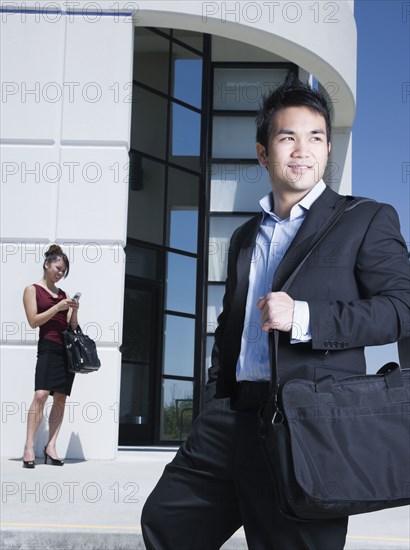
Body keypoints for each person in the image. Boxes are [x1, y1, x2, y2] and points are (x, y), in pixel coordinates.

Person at [141, 74, 410, 549]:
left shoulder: (366, 218)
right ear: (264, 152)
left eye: (316, 138)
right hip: (231, 418)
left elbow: (400, 310)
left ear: (328, 151)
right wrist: (214, 400)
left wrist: (305, 317)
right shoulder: (246, 236)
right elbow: (230, 326)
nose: (302, 150)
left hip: (307, 425)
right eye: (288, 137)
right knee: (168, 522)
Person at [22, 244, 79, 468]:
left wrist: (74, 310)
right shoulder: (32, 289)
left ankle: (51, 446)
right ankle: (28, 447)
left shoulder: (63, 294)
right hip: (47, 346)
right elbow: (34, 321)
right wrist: (57, 308)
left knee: (61, 398)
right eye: (58, 267)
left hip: (64, 349)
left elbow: (71, 327)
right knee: (40, 395)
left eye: (63, 270)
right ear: (47, 264)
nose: (60, 273)